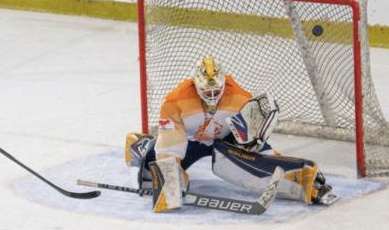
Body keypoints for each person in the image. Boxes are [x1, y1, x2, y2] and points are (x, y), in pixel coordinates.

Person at [125, 56, 335, 212]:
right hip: (190, 142)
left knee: (255, 158)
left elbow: (251, 142)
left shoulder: (240, 97)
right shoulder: (174, 102)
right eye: (207, 92)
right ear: (195, 85)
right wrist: (170, 177)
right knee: (150, 170)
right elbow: (170, 142)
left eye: (217, 91)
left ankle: (303, 179)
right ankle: (140, 144)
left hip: (224, 140)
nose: (213, 96)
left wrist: (267, 154)